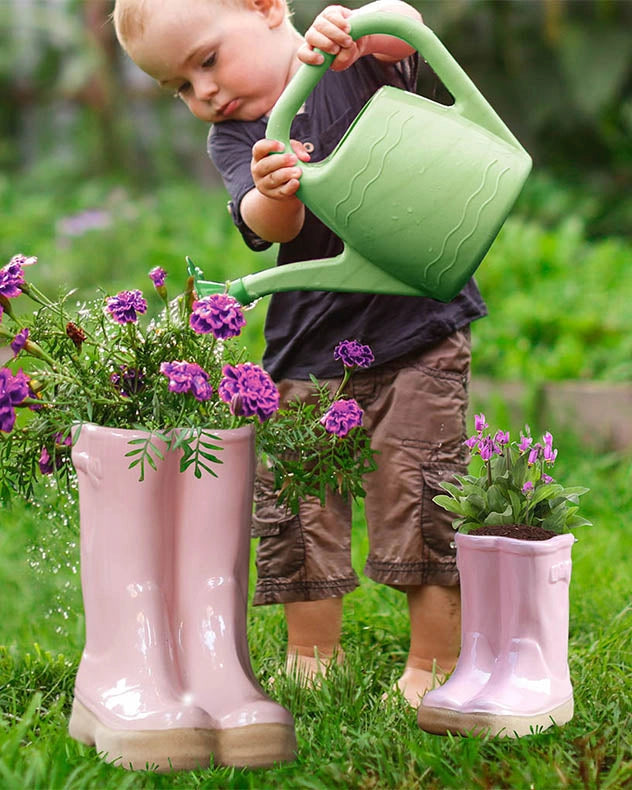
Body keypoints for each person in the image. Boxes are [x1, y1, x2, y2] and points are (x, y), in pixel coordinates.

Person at [113, 0, 488, 707]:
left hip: (418, 326)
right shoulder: (236, 137)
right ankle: (313, 654)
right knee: (300, 508)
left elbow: (404, 27)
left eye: (206, 61)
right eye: (180, 87)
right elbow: (265, 223)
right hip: (308, 347)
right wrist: (272, 189)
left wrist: (358, 30)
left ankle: (434, 662)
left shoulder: (348, 60)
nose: (205, 94)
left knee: (422, 493)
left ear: (265, 8)